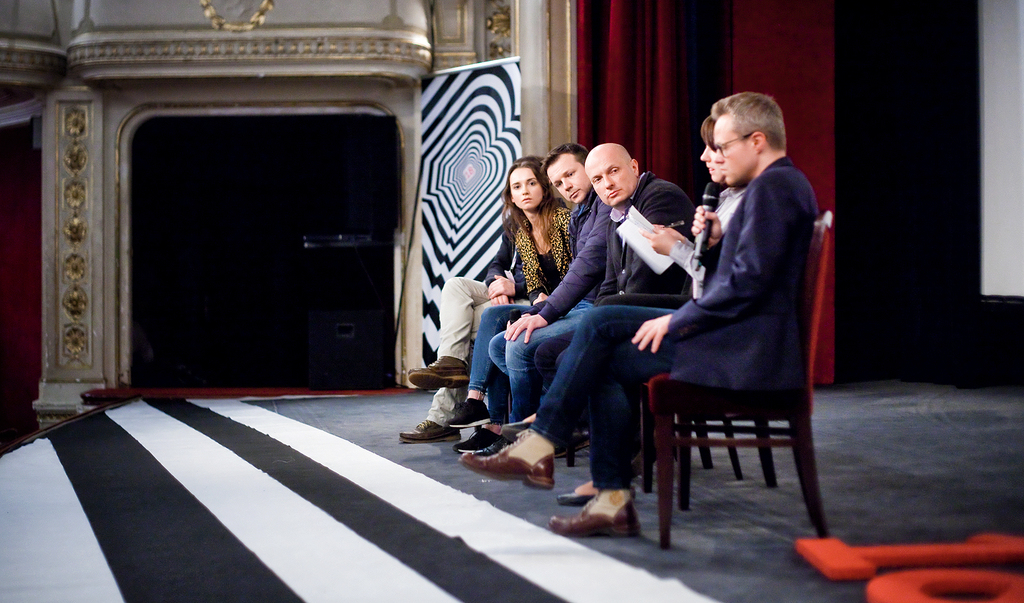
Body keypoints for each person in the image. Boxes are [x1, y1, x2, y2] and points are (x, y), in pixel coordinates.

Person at [460, 92, 819, 538]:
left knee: (601, 322)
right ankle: (609, 499)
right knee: (603, 356)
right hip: (733, 334)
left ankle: (543, 442)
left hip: (744, 349)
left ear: (757, 142)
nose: (707, 156)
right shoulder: (771, 188)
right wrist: (710, 246)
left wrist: (676, 319)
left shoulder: (773, 189)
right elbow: (740, 276)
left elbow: (746, 287)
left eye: (720, 146)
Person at [488, 143, 693, 425]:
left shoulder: (656, 197)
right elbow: (612, 280)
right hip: (616, 309)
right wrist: (542, 310)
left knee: (541, 351)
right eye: (598, 178)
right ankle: (554, 425)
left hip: (663, 315)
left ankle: (548, 427)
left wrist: (553, 311)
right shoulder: (613, 210)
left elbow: (636, 277)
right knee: (518, 339)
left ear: (634, 167)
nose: (607, 184)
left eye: (613, 171)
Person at [399, 156, 571, 444]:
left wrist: (513, 286)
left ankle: (453, 414)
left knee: (475, 327)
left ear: (544, 187)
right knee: (456, 287)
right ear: (511, 195)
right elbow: (496, 264)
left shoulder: (563, 221)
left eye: (531, 183)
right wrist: (495, 284)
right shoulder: (516, 224)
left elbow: (565, 278)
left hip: (540, 298)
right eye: (517, 186)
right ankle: (451, 363)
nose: (525, 191)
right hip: (513, 293)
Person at [457, 143, 610, 454]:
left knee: (514, 342)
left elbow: (576, 273)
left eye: (571, 175)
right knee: (496, 335)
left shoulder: (572, 216)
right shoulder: (523, 226)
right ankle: (491, 414)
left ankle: (523, 434)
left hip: (581, 303)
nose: (566, 185)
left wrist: (536, 304)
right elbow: (498, 264)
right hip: (563, 301)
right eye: (517, 186)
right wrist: (501, 285)